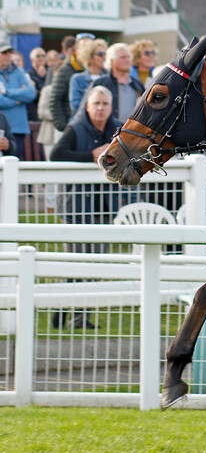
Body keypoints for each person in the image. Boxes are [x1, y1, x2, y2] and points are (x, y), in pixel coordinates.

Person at [51, 86, 122, 332]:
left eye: (105, 103)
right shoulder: (75, 128)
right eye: (96, 103)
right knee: (74, 264)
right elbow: (56, 154)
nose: (101, 108)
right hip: (76, 207)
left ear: (111, 107)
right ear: (87, 106)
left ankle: (78, 316)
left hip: (104, 206)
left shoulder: (118, 129)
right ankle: (63, 312)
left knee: (95, 264)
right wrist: (89, 155)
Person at [92, 44, 144, 125]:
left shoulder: (138, 85)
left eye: (129, 57)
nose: (127, 60)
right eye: (123, 57)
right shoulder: (101, 84)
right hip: (108, 133)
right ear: (111, 61)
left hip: (133, 134)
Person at [0, 44, 36, 160]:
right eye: (4, 53)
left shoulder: (19, 71)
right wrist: (19, 100)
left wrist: (6, 92)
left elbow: (30, 94)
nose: (8, 55)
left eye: (10, 52)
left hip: (19, 128)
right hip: (3, 129)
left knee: (15, 164)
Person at [50, 34, 88, 131]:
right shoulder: (65, 70)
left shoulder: (96, 70)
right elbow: (55, 100)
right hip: (72, 125)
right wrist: (64, 126)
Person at [69, 38, 108, 115]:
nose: (104, 57)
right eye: (100, 54)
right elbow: (75, 106)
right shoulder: (78, 79)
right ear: (89, 57)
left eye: (105, 54)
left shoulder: (107, 79)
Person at [26, 48, 48, 129]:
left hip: (46, 113)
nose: (41, 58)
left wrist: (45, 77)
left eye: (43, 55)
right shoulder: (27, 74)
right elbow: (33, 95)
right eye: (38, 56)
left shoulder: (50, 74)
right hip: (33, 112)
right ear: (31, 59)